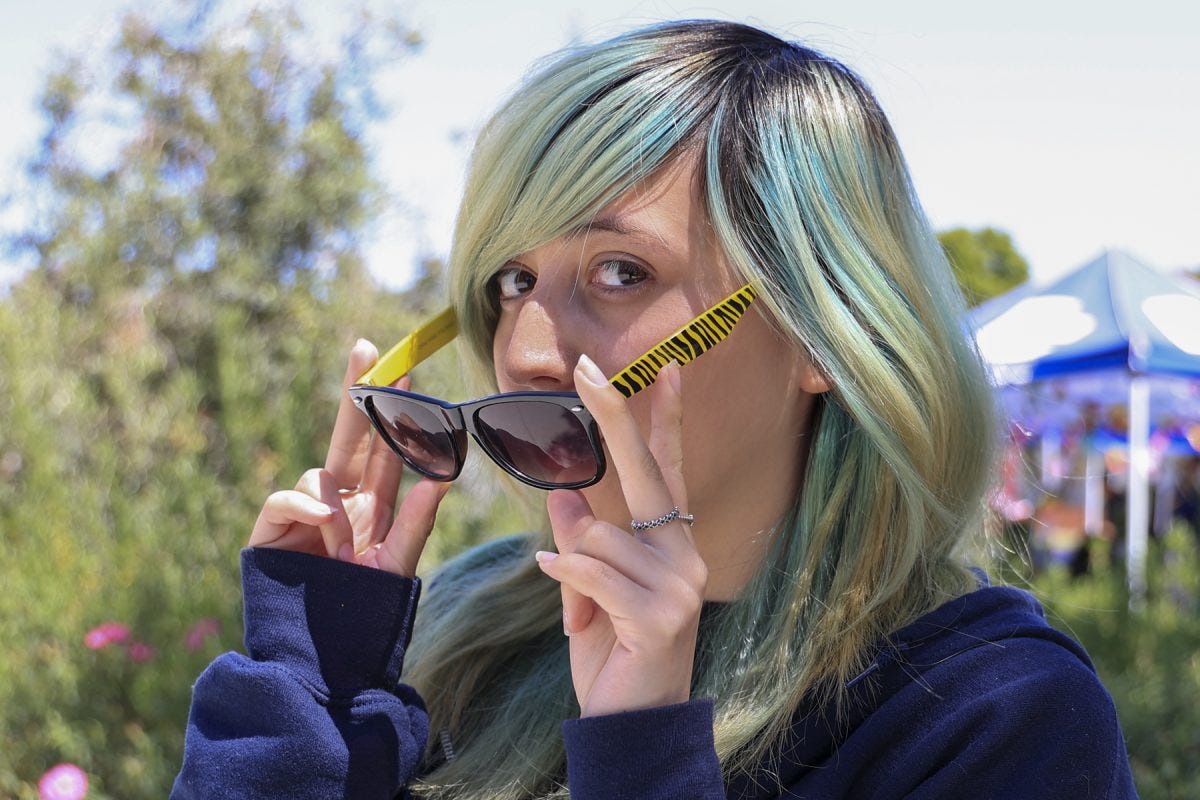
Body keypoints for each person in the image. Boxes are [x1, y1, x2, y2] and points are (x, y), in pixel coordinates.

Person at [172, 20, 1138, 800]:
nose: (530, 351)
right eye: (513, 279)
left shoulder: (994, 714)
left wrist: (642, 755)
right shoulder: (461, 626)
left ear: (821, 333)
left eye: (620, 272)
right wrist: (316, 685)